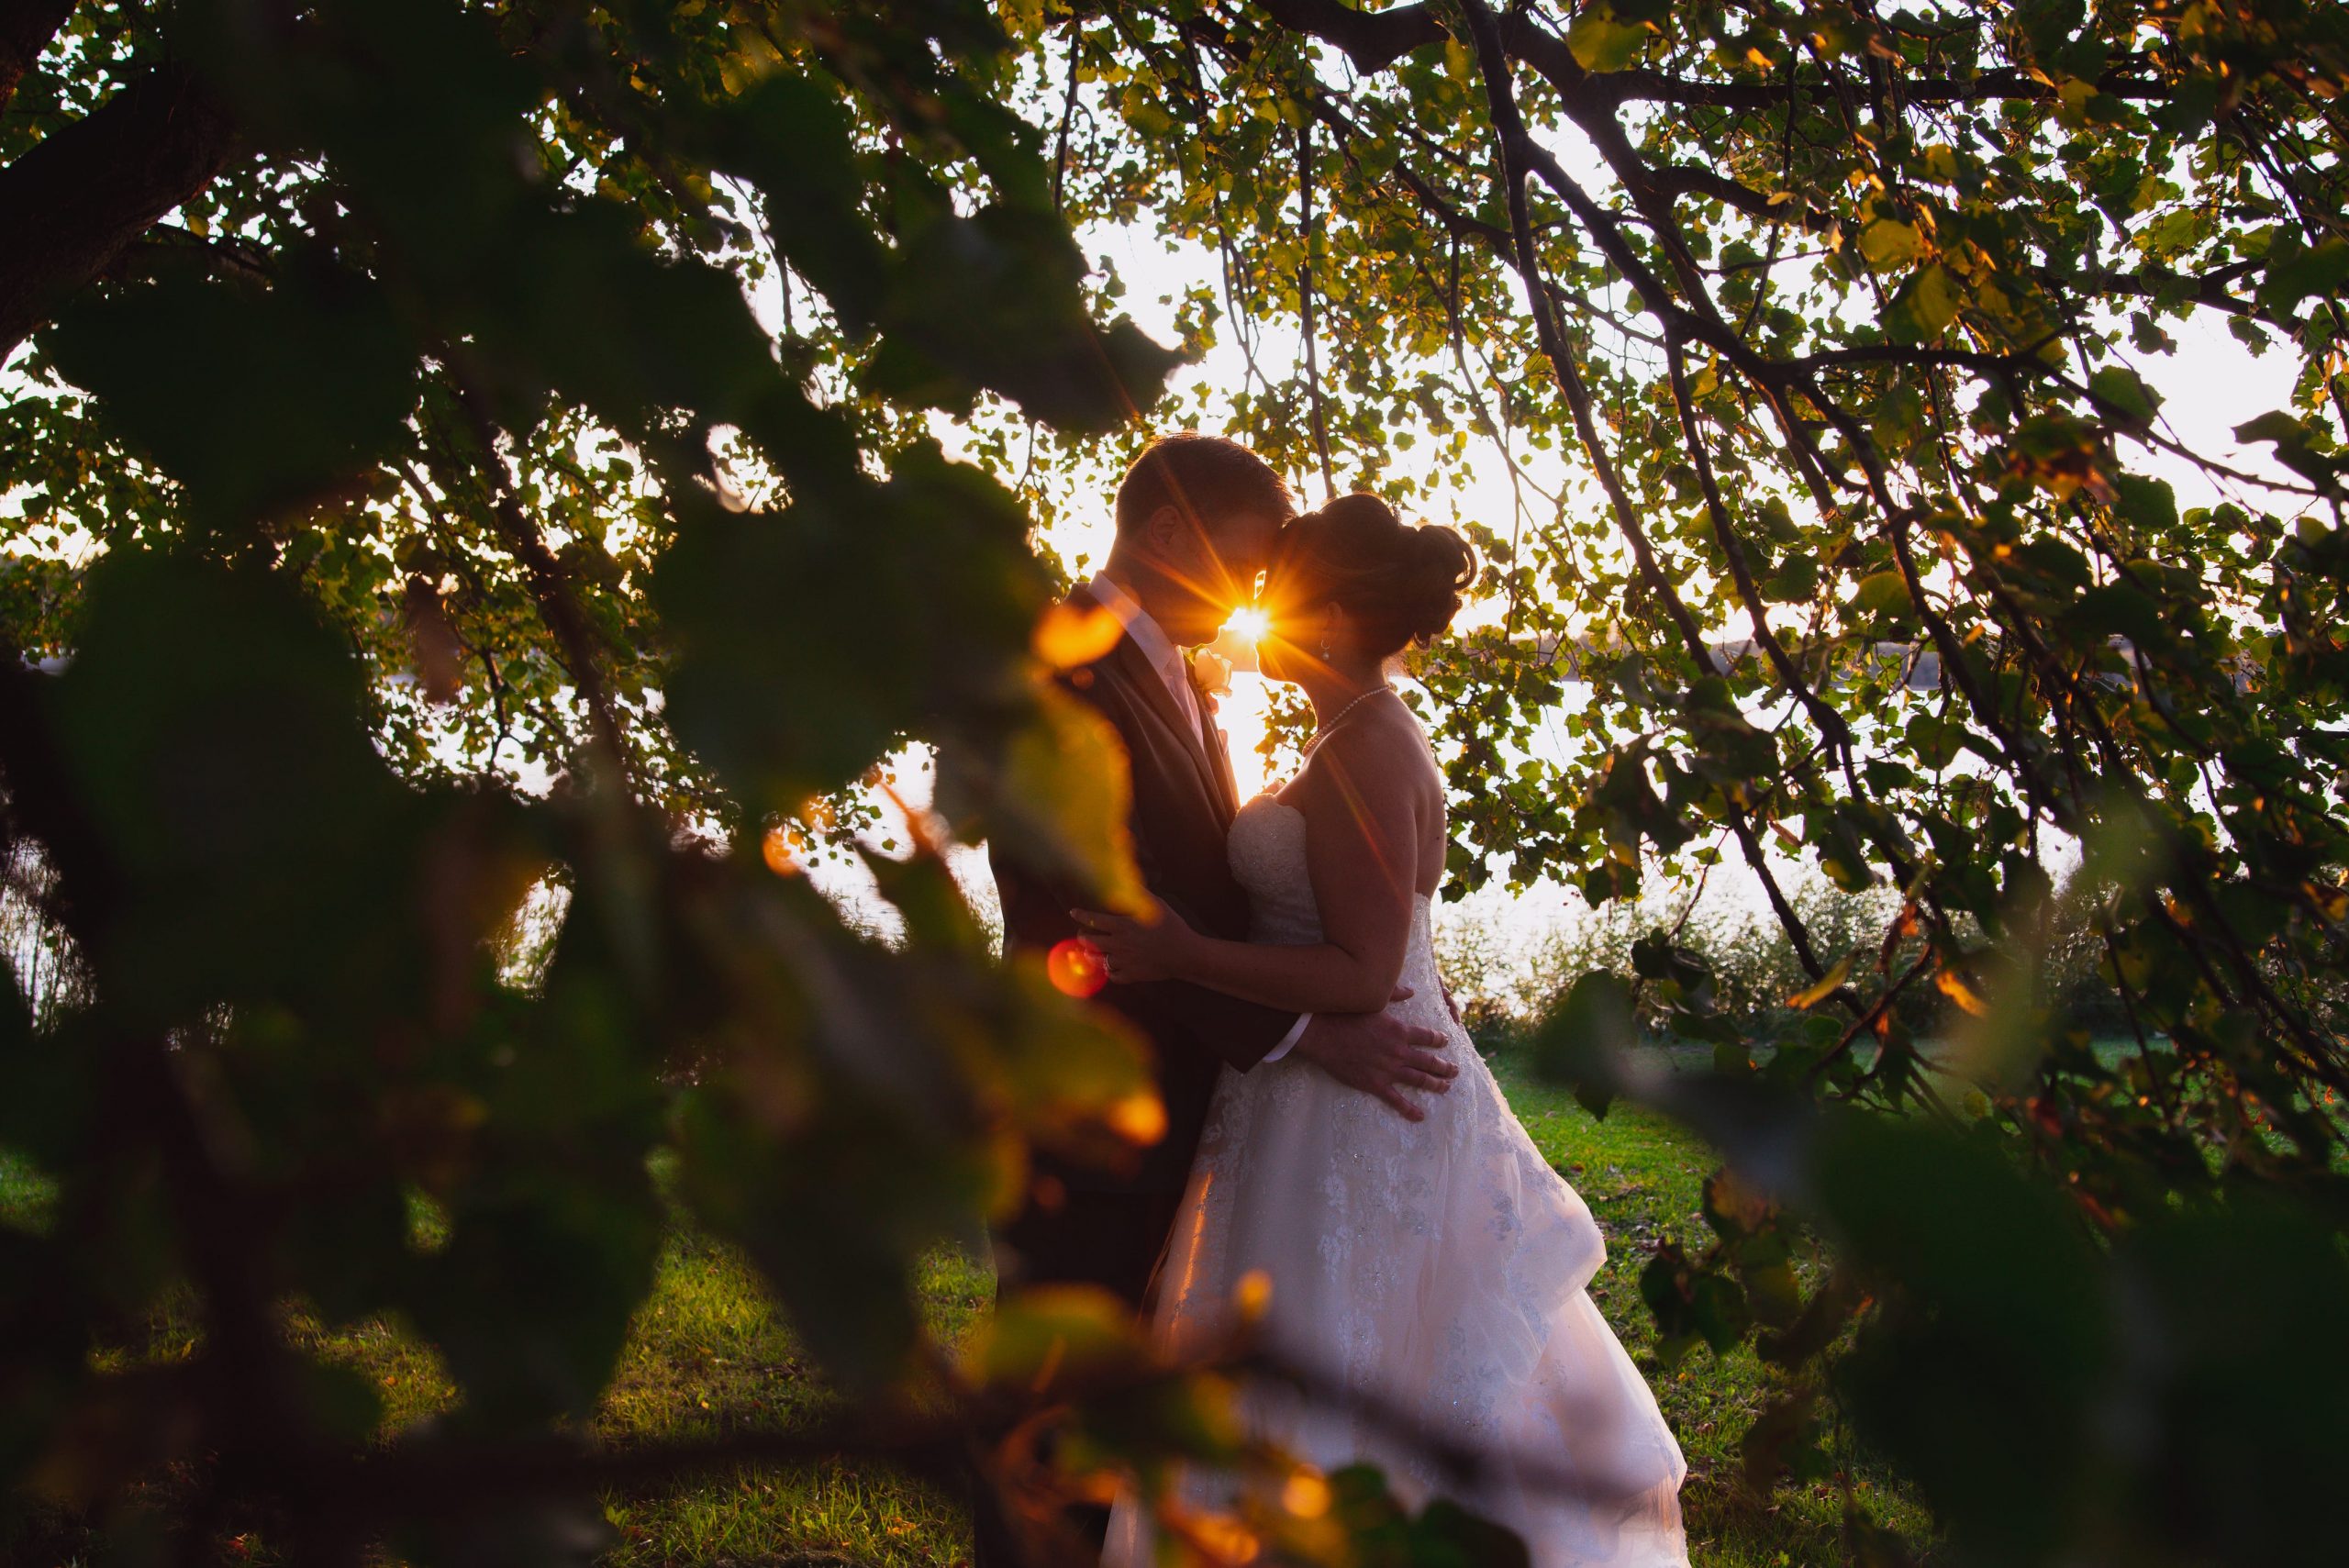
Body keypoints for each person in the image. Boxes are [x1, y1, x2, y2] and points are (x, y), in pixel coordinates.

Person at [1077, 494, 1690, 1568]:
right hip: (1334, 1093)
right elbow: (1385, 941)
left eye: (1275, 589)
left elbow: (1362, 973)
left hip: (1355, 1102)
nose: (1251, 605)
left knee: (1353, 1365)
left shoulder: (1362, 745)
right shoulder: (1351, 730)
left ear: (1325, 615)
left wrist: (1185, 954)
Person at [980, 438, 1462, 1563]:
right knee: (1056, 1414)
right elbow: (1091, 918)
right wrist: (1304, 1028)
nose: (1253, 597)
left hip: (1205, 1105)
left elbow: (1212, 913)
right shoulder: (1052, 677)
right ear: (1161, 536)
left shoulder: (1189, 679)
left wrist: (1286, 1008)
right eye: (1242, 568)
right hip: (1091, 1112)